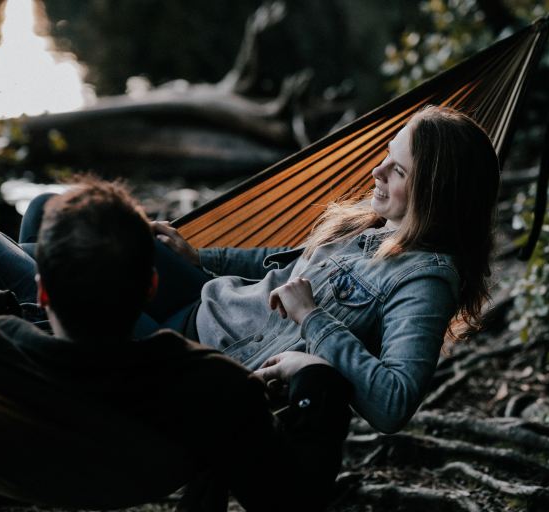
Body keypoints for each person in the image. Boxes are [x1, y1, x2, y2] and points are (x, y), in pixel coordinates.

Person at [0, 178, 351, 511]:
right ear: (151, 286)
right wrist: (315, 378)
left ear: (42, 292)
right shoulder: (217, 385)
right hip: (133, 455)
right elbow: (291, 500)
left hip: (32, 406)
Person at [142, 105, 501, 433]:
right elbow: (289, 261)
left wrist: (311, 316)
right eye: (389, 153)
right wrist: (202, 258)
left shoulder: (425, 282)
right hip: (206, 301)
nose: (378, 170)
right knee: (127, 239)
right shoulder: (380, 220)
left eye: (399, 171)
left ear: (434, 194)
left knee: (97, 315)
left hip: (208, 357)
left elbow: (393, 403)